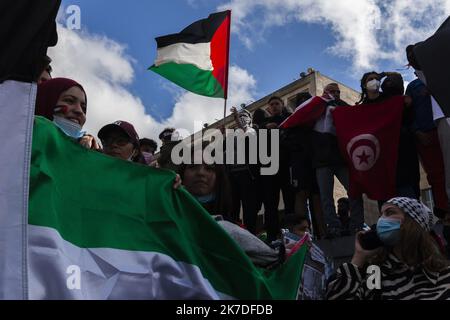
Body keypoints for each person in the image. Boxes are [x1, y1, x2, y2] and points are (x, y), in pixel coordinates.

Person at [327, 197, 450, 300]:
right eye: (381, 215)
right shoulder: (375, 274)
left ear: (411, 223)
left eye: (390, 213)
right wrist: (359, 256)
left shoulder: (443, 272)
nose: (381, 220)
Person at [180, 143, 281, 268]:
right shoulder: (169, 210)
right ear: (182, 174)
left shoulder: (231, 226)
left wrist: (278, 251)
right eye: (193, 166)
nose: (201, 173)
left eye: (209, 168)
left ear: (219, 177)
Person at [311, 83, 365, 237]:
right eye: (331, 91)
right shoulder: (316, 108)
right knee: (326, 197)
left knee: (354, 192)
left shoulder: (343, 107)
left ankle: (357, 225)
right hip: (322, 161)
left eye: (338, 92)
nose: (335, 94)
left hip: (341, 159)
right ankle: (333, 227)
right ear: (324, 92)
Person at [358, 71, 421, 204]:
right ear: (364, 85)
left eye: (376, 78)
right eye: (370, 79)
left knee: (407, 198)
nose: (374, 81)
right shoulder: (361, 109)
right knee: (385, 201)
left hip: (400, 156)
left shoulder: (391, 99)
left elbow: (397, 77)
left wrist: (384, 73)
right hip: (379, 160)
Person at [285, 91, 326, 239]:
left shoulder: (318, 118)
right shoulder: (292, 121)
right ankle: (301, 233)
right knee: (301, 194)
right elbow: (286, 141)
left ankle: (322, 232)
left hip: (316, 161)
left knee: (317, 196)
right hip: (298, 162)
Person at [259, 96, 295, 242]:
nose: (274, 106)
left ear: (282, 105)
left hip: (286, 165)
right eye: (272, 104)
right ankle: (272, 236)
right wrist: (265, 130)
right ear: (268, 108)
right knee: (270, 203)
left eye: (277, 104)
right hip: (269, 167)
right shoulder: (262, 124)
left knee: (289, 201)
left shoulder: (289, 119)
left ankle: (292, 234)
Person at [35, 77, 100, 150]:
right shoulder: (21, 142)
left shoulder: (91, 154)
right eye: (69, 100)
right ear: (44, 101)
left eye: (83, 108)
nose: (79, 111)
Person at [227, 106, 260, 234]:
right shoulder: (232, 135)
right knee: (233, 208)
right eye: (240, 116)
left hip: (247, 175)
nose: (242, 118)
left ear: (250, 119)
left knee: (249, 208)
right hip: (232, 176)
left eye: (245, 116)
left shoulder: (252, 130)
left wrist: (236, 118)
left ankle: (250, 234)